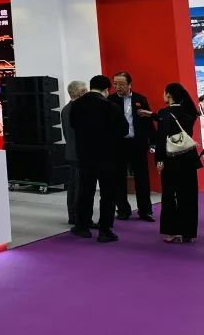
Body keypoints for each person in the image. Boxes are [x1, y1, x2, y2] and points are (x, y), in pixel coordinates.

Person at [70, 75, 127, 243]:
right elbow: (123, 129)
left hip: (85, 156)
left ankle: (82, 226)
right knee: (108, 193)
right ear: (106, 89)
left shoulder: (77, 105)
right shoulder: (111, 106)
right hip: (107, 157)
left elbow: (73, 125)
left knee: (85, 191)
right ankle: (105, 230)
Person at [143, 83, 200, 243]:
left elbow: (162, 138)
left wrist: (159, 159)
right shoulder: (190, 112)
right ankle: (188, 232)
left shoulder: (165, 113)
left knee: (170, 196)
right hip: (188, 158)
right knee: (189, 196)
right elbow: (175, 123)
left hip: (171, 159)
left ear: (169, 95)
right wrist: (154, 115)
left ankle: (172, 231)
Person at [108, 71, 154, 222]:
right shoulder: (110, 100)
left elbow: (148, 122)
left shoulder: (140, 99)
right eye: (115, 84)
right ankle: (123, 210)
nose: (118, 87)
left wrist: (153, 141)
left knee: (142, 177)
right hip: (118, 144)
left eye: (121, 84)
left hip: (137, 143)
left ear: (129, 84)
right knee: (118, 178)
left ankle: (145, 211)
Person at [62, 80, 88, 227]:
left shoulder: (65, 109)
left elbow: (67, 134)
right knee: (79, 186)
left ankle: (73, 215)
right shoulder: (80, 109)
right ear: (80, 93)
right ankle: (78, 216)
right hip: (80, 153)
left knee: (73, 185)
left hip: (71, 152)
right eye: (85, 91)